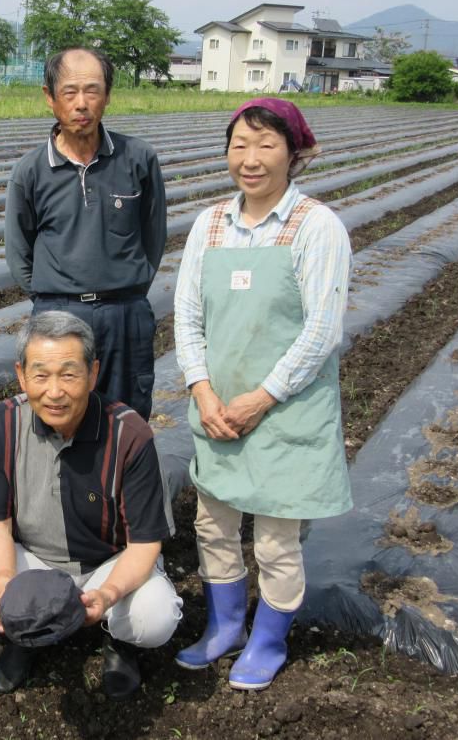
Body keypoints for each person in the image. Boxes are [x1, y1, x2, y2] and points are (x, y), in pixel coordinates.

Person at [172, 98, 353, 690]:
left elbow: (322, 330)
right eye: (239, 146)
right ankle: (224, 628)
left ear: (295, 154)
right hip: (219, 410)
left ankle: (269, 639)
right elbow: (187, 317)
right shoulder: (211, 224)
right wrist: (202, 392)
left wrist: (262, 397)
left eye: (266, 146)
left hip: (284, 412)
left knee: (276, 540)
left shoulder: (316, 226)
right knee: (213, 525)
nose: (250, 160)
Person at [0, 311, 182, 701]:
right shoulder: (0, 424)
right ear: (21, 376)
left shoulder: (129, 433)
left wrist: (107, 594)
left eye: (69, 374)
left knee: (154, 618)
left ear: (93, 374)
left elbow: (144, 544)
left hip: (106, 564)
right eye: (40, 375)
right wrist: (8, 585)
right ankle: (26, 633)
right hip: (34, 562)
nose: (54, 391)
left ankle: (117, 640)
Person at [4, 47, 167, 421]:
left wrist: (125, 287)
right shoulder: (30, 171)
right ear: (50, 97)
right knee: (61, 415)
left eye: (92, 91)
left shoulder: (138, 158)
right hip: (59, 313)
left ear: (107, 95)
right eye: (70, 92)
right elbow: (19, 252)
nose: (81, 103)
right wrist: (54, 297)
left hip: (125, 311)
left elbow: (153, 237)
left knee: (128, 416)